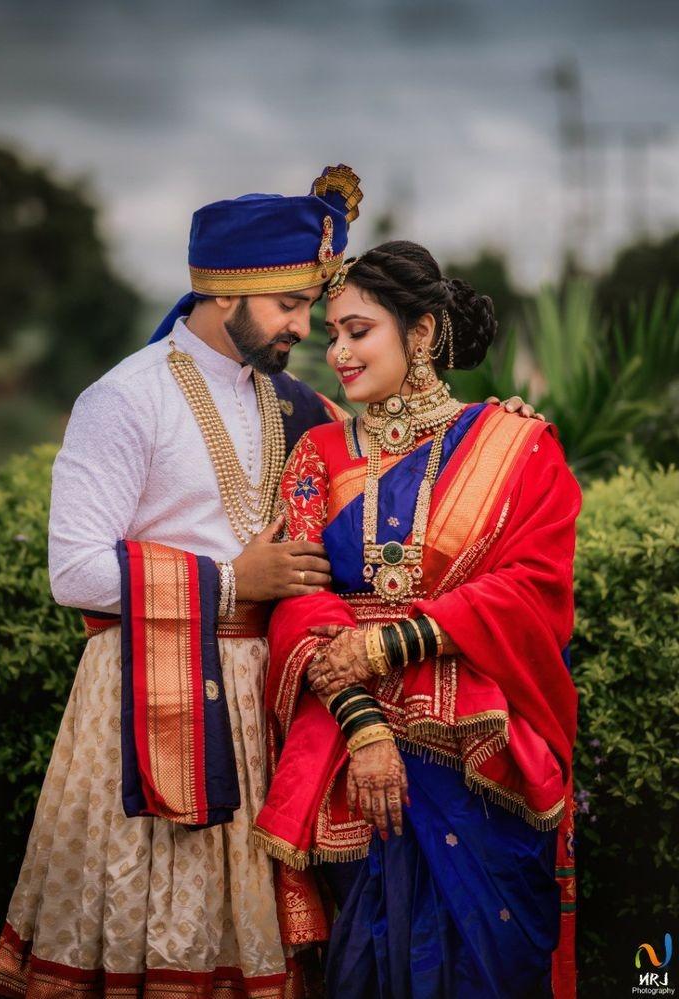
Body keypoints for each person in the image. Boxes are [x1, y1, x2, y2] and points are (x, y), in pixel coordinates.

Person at [0, 164, 363, 999]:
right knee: (152, 930)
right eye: (288, 305)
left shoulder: (294, 402)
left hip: (262, 698)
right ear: (226, 291)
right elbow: (73, 570)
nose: (304, 326)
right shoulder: (124, 399)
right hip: (146, 703)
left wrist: (492, 426)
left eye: (308, 305)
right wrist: (236, 582)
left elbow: (391, 464)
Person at [254, 241, 581, 998]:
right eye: (330, 333)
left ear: (424, 333)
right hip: (357, 759)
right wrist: (366, 727)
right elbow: (301, 605)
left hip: (481, 752)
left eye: (358, 330)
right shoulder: (318, 452)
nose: (336, 351)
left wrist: (391, 640)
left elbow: (532, 587)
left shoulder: (514, 445)